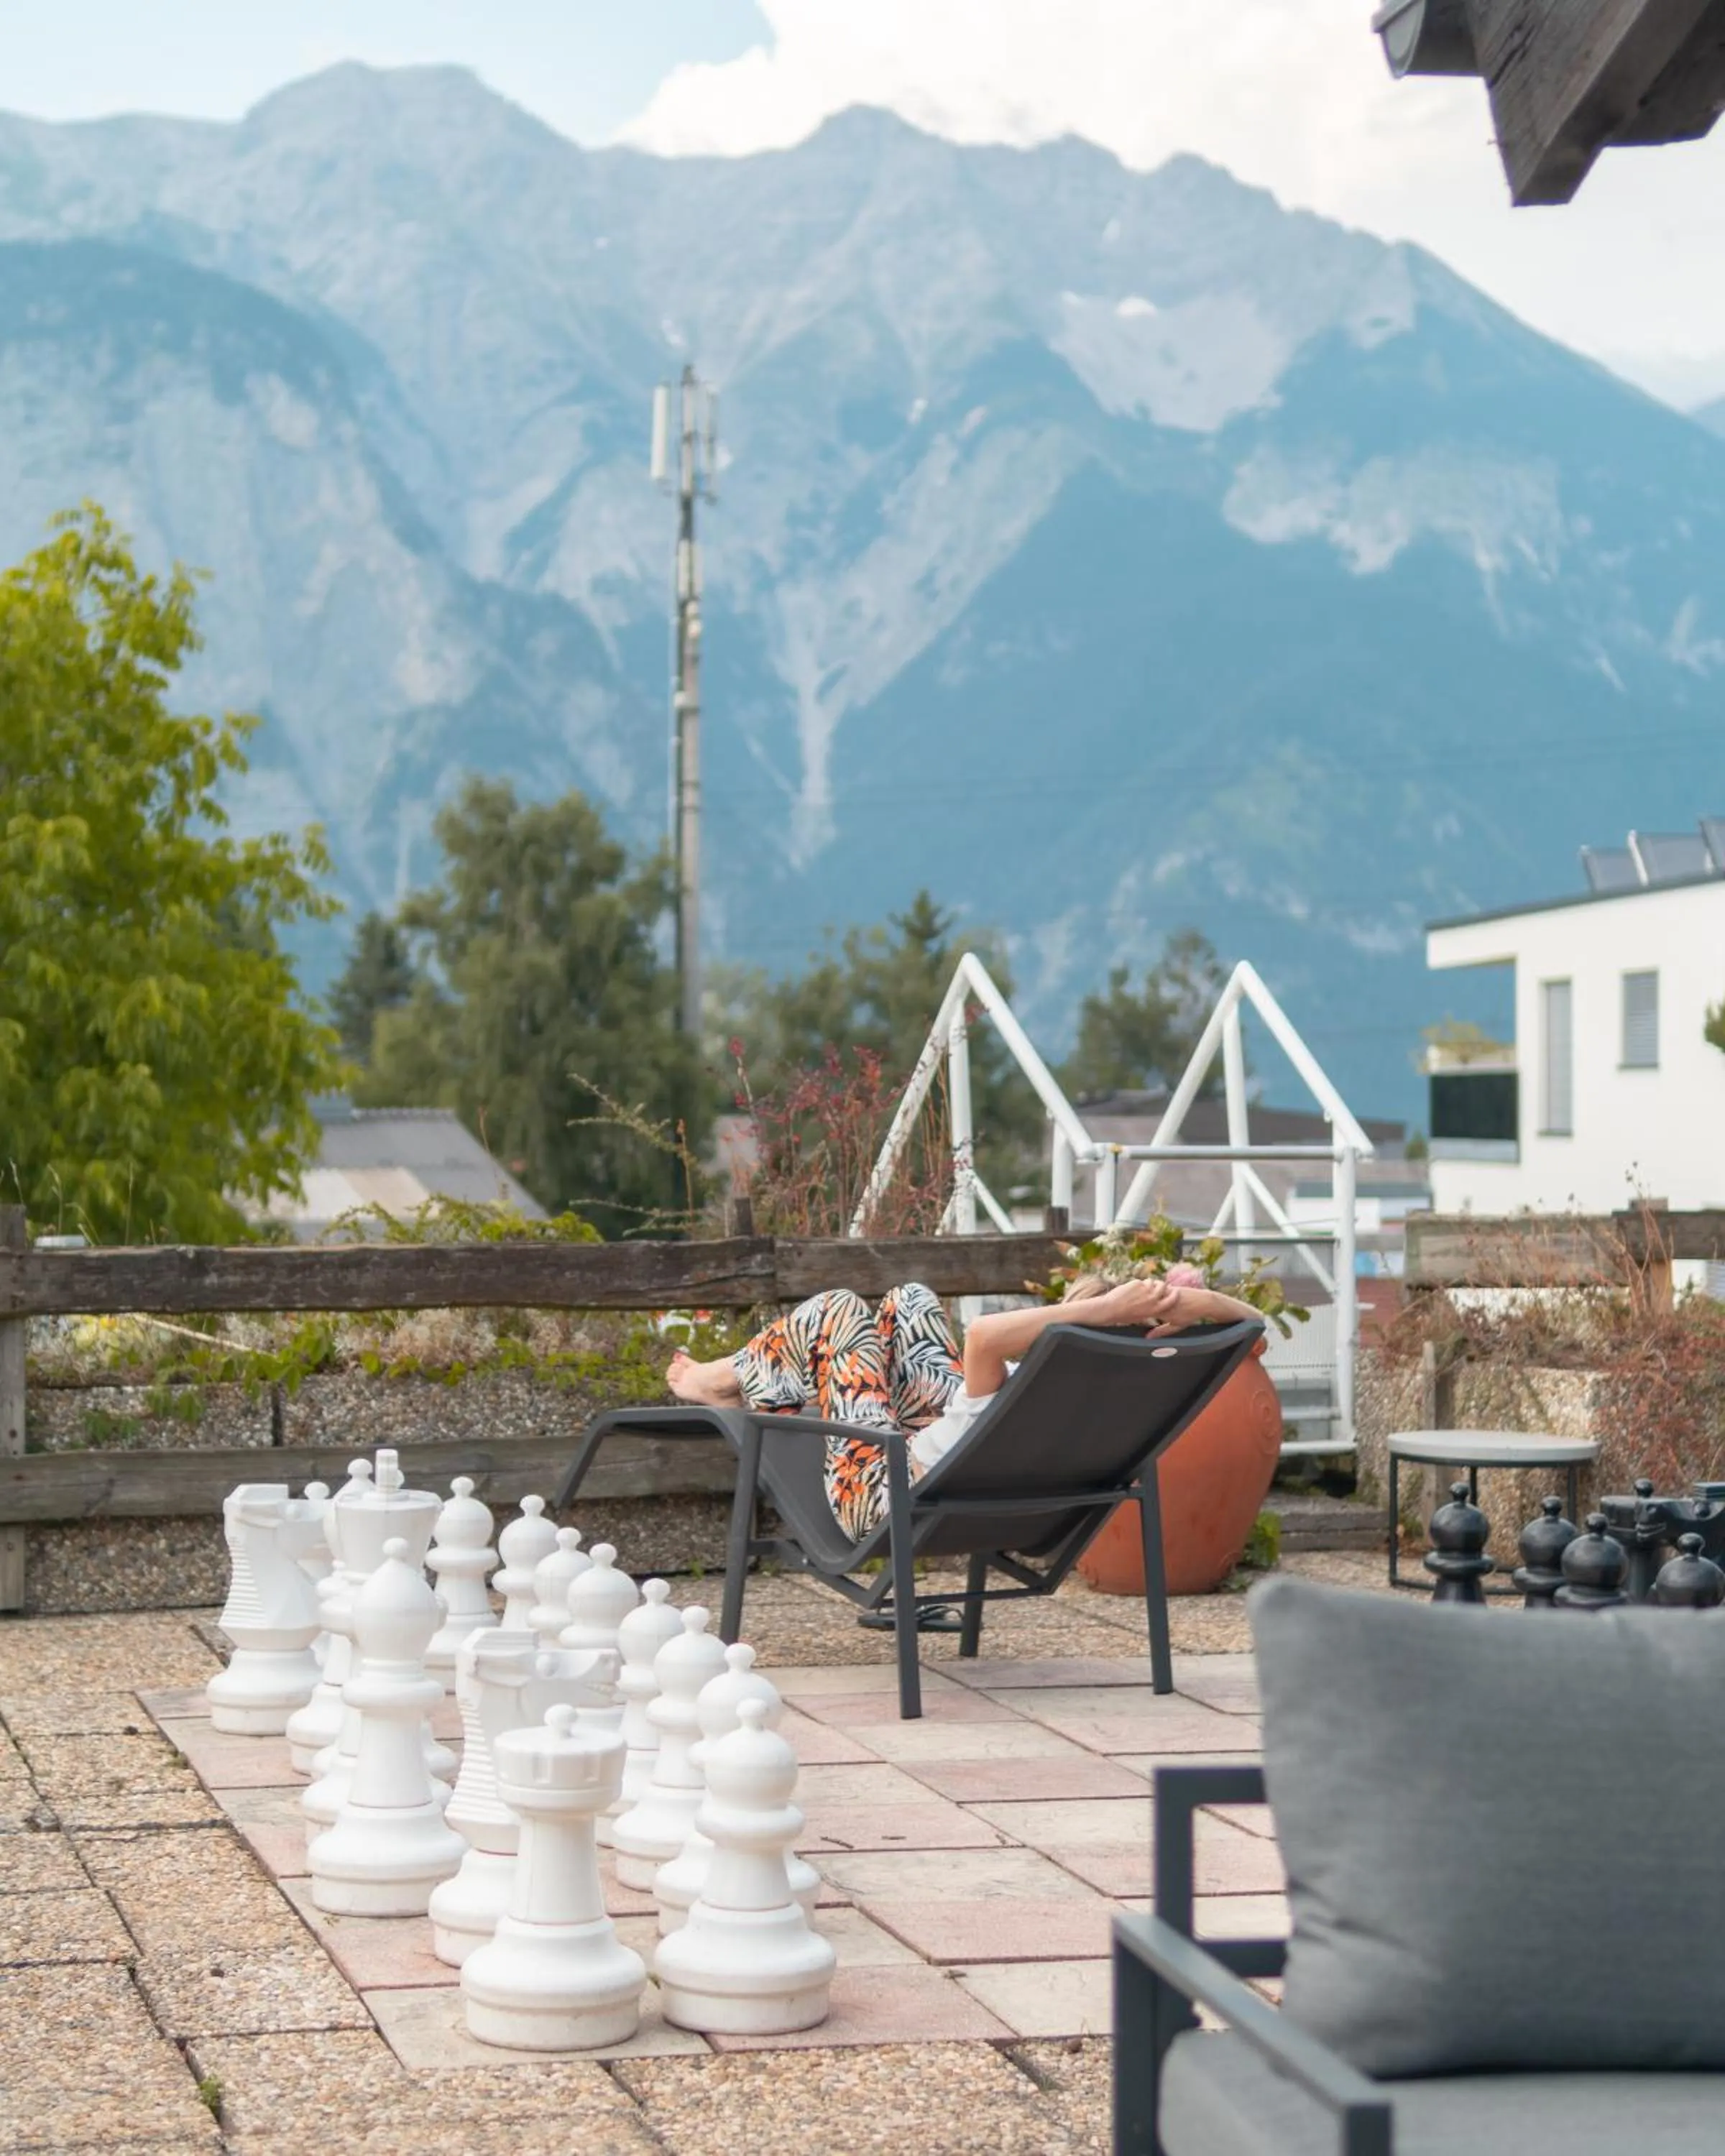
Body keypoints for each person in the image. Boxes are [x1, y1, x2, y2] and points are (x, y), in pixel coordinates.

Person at [666, 1272, 1262, 1540]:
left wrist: (1101, 1310)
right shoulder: (1116, 1393)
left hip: (880, 1495)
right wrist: (1202, 1299)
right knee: (909, 1300)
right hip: (981, 1479)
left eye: (1066, 1306)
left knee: (840, 1310)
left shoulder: (1010, 1389)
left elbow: (984, 1336)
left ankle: (720, 1379)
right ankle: (752, 1375)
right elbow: (1254, 1331)